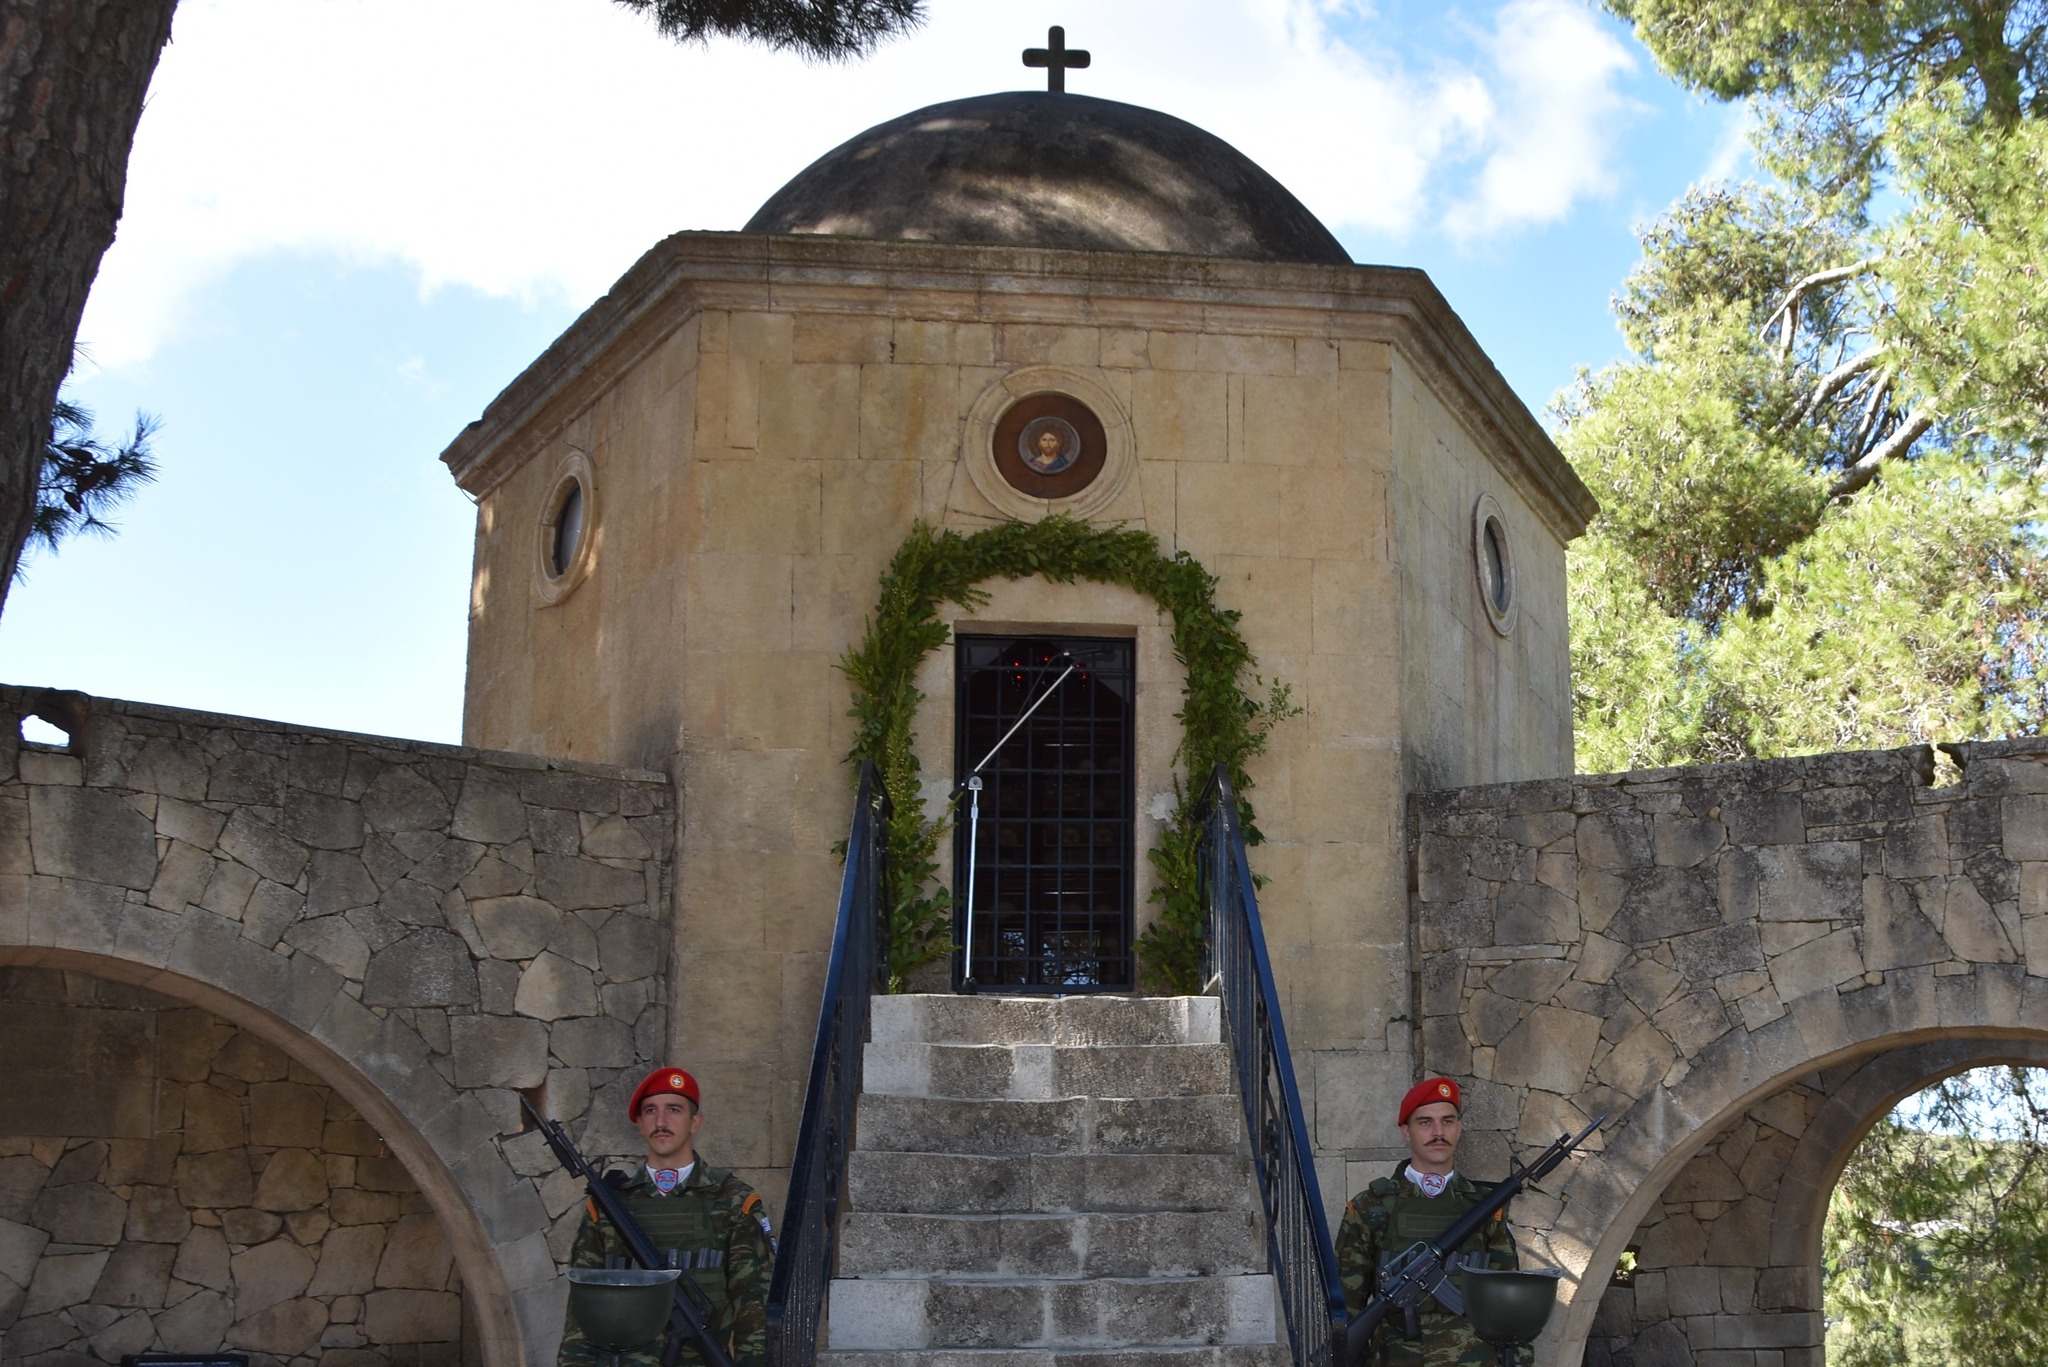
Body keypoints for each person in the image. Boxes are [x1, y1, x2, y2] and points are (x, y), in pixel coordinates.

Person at [557, 1067, 775, 1367]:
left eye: (674, 1110)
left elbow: (754, 1308)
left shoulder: (733, 1201)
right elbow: (581, 1314)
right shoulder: (609, 1207)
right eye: (650, 1111)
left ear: (694, 1122)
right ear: (639, 1122)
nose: (661, 1122)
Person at [1333, 1077, 1519, 1366]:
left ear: (1459, 1128)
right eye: (1425, 1122)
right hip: (1394, 1357)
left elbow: (1508, 1296)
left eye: (1447, 1121)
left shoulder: (1485, 1206)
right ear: (1405, 1131)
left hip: (1474, 1358)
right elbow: (1347, 1304)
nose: (1437, 1132)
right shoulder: (1370, 1207)